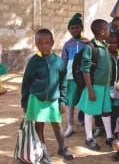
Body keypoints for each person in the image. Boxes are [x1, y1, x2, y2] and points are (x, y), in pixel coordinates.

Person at [21, 29, 73, 164]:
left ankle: (62, 148)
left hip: (53, 100)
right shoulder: (34, 61)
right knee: (39, 126)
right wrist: (24, 103)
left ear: (52, 43)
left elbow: (64, 82)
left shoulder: (58, 61)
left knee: (57, 125)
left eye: (46, 43)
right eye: (39, 43)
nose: (43, 46)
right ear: (35, 44)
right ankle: (43, 151)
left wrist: (62, 99)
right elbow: (26, 83)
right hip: (37, 100)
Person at [76, 19, 113, 150]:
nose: (110, 30)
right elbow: (85, 69)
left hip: (105, 86)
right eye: (108, 28)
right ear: (102, 31)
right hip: (94, 86)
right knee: (89, 112)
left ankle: (109, 136)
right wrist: (90, 90)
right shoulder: (90, 47)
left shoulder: (104, 45)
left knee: (106, 111)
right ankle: (89, 137)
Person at [61, 13, 89, 137]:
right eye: (72, 28)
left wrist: (90, 43)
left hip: (84, 76)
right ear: (69, 30)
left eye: (77, 27)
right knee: (70, 102)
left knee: (84, 99)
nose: (74, 30)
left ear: (81, 28)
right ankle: (70, 125)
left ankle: (84, 122)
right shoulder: (67, 44)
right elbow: (63, 61)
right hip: (71, 77)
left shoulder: (86, 42)